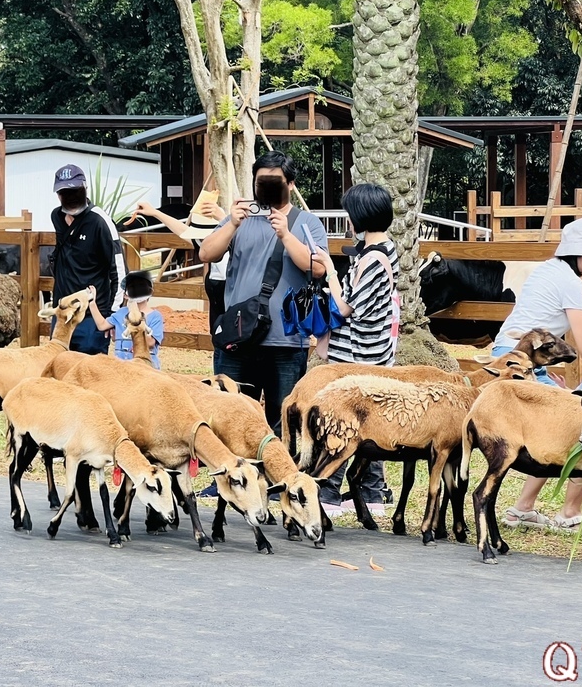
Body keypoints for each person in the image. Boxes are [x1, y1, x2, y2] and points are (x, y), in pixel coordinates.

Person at [488, 217, 582, 530]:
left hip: (509, 354)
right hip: (521, 363)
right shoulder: (570, 282)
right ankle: (568, 513)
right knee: (578, 427)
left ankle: (523, 508)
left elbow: (558, 318)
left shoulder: (550, 270)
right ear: (579, 253)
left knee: (547, 435)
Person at [199, 150, 329, 431]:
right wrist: (232, 222)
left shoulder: (307, 223)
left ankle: (280, 475)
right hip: (238, 338)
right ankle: (231, 474)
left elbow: (317, 268)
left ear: (291, 184)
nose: (267, 188)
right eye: (261, 182)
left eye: (275, 181)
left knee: (283, 423)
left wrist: (285, 234)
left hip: (286, 342)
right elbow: (206, 253)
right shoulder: (241, 219)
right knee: (230, 419)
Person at [312, 183, 398, 516]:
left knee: (342, 424)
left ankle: (329, 494)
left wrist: (331, 272)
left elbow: (348, 307)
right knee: (367, 426)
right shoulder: (381, 249)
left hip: (359, 357)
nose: (348, 220)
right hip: (374, 355)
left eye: (350, 214)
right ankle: (371, 493)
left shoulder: (373, 259)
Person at [49, 164, 126, 354]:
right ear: (58, 194)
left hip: (91, 318)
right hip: (62, 314)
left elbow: (119, 270)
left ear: (84, 189)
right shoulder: (56, 217)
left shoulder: (100, 222)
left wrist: (112, 317)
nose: (71, 196)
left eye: (75, 191)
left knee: (90, 376)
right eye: (65, 192)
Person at [132, 192, 229, 326]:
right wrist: (155, 213)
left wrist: (225, 220)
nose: (201, 241)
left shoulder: (236, 248)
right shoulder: (204, 244)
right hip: (218, 319)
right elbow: (182, 231)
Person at [87, 270, 165, 368]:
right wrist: (92, 303)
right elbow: (102, 325)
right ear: (125, 295)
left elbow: (151, 343)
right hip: (121, 367)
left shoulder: (156, 316)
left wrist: (137, 324)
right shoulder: (121, 313)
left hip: (146, 368)